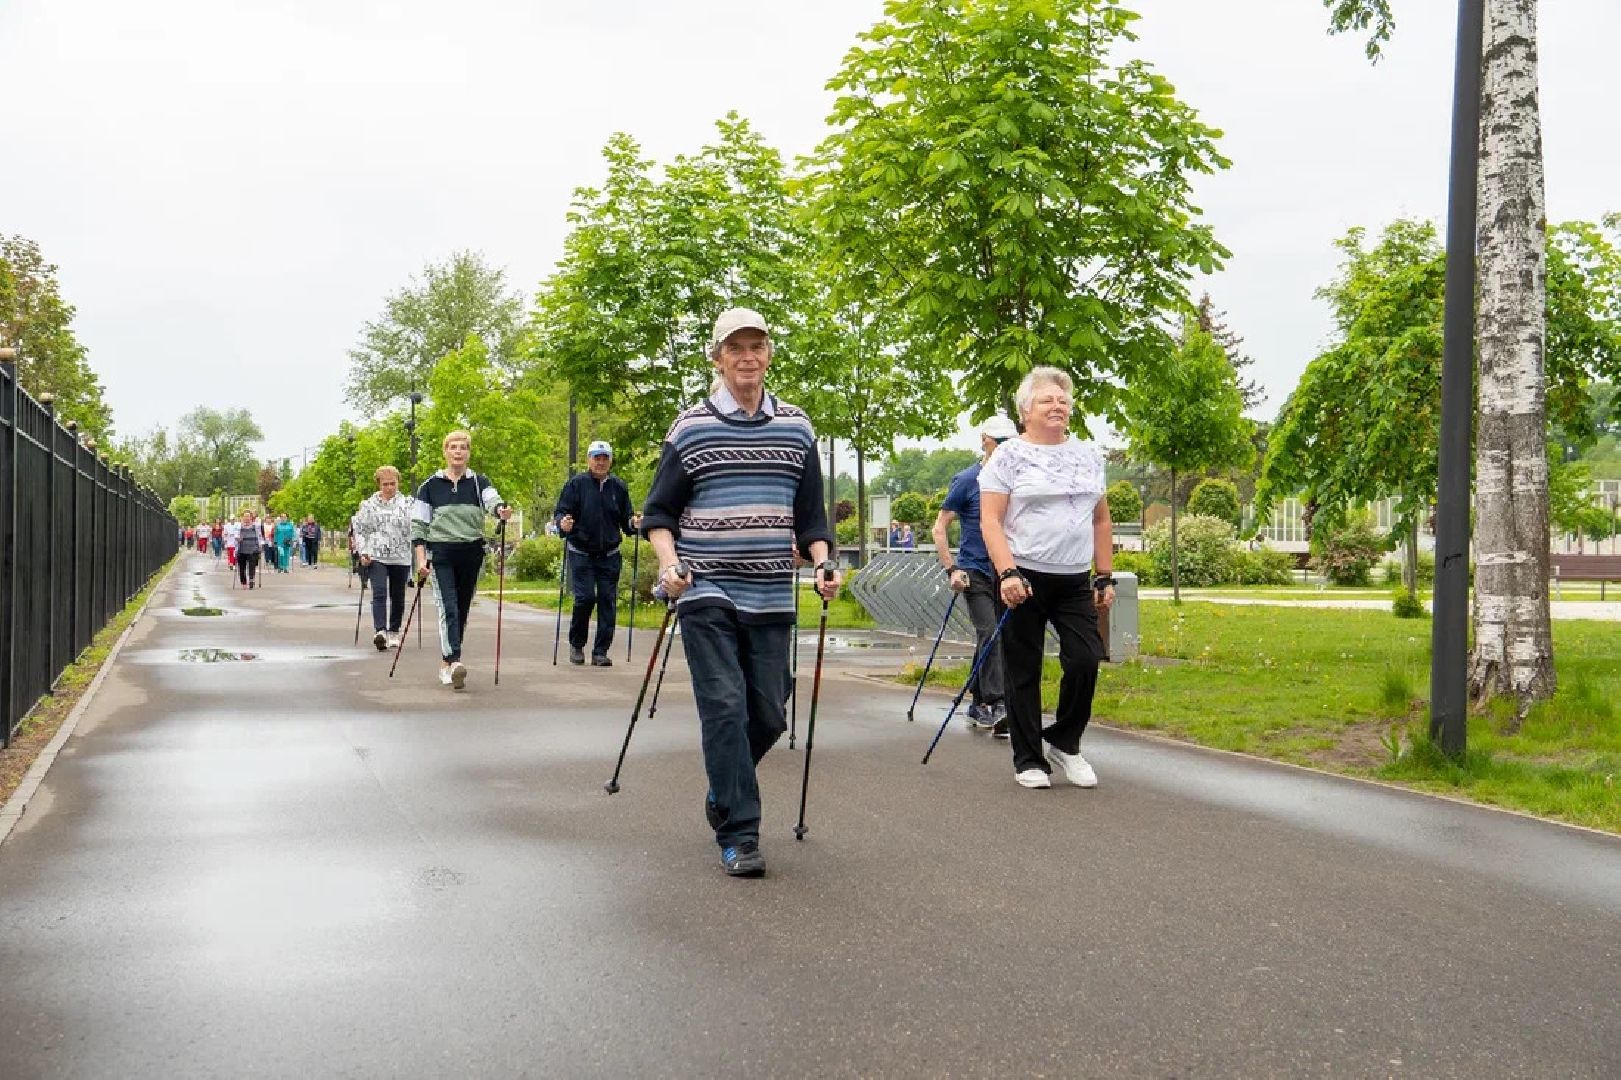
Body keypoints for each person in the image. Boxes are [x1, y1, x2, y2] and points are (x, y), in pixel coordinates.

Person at [642, 307, 837, 879]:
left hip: (772, 590)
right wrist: (670, 563)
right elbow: (659, 512)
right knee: (724, 705)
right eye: (736, 348)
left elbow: (812, 516)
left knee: (770, 715)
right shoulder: (691, 427)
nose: (747, 357)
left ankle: (723, 790)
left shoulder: (797, 427)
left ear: (768, 354)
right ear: (718, 357)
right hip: (705, 586)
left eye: (757, 346)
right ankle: (740, 834)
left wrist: (824, 563)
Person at [979, 366, 1115, 790]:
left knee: (1085, 658)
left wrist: (1104, 575)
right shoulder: (1009, 456)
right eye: (1046, 400)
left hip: (1073, 577)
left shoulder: (1089, 455)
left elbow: (1101, 518)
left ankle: (1064, 741)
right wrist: (1007, 571)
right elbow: (990, 519)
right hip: (1023, 576)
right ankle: (1028, 759)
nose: (1057, 406)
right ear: (1025, 411)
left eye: (1062, 400)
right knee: (1022, 667)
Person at [931, 415, 1019, 735]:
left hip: (1005, 571)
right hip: (974, 571)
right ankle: (995, 704)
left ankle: (978, 702)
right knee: (989, 631)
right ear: (986, 441)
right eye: (1003, 443)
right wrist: (951, 569)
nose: (1009, 449)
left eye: (1013, 443)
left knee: (997, 637)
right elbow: (940, 528)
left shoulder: (1015, 481)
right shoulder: (968, 480)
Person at [411, 430, 512, 688]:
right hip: (441, 552)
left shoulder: (479, 482)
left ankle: (447, 662)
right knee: (449, 607)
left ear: (468, 452)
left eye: (463, 447)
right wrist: (421, 561)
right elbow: (419, 527)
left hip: (471, 552)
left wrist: (501, 511)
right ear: (445, 451)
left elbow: (493, 501)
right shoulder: (429, 486)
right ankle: (455, 661)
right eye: (453, 447)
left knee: (463, 609)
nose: (458, 451)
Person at [554, 440, 640, 666]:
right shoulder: (576, 484)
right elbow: (561, 512)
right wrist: (563, 523)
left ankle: (600, 651)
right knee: (585, 598)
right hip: (581, 551)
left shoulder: (619, 487)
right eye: (596, 457)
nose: (601, 462)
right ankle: (577, 644)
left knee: (607, 601)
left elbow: (626, 520)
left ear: (610, 460)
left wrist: (634, 523)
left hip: (610, 554)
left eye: (605, 458)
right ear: (588, 460)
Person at [354, 466, 414, 651]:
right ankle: (380, 631)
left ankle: (394, 631)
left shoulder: (408, 503)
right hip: (376, 555)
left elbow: (416, 528)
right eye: (385, 484)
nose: (389, 487)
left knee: (398, 595)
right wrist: (363, 551)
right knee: (379, 591)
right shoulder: (368, 505)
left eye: (393, 483)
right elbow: (360, 530)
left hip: (400, 555)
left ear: (398, 483)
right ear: (379, 484)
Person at [235, 509, 263, 588]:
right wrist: (237, 538)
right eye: (245, 516)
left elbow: (259, 536)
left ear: (251, 517)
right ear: (242, 517)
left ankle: (251, 579)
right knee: (242, 567)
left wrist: (260, 545)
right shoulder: (239, 526)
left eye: (248, 516)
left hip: (253, 548)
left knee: (252, 565)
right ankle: (243, 582)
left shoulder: (256, 526)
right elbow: (235, 536)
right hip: (242, 549)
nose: (246, 518)